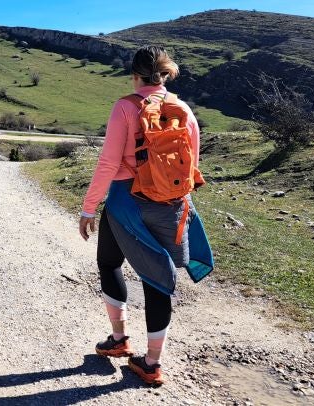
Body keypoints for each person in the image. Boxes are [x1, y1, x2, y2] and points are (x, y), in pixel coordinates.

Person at [78, 46, 214, 386]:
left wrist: (89, 207)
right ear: (165, 74)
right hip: (172, 204)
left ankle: (119, 339)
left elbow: (109, 163)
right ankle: (152, 363)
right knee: (158, 281)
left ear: (134, 74)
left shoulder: (125, 107)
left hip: (127, 200)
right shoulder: (183, 110)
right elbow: (192, 165)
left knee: (109, 263)